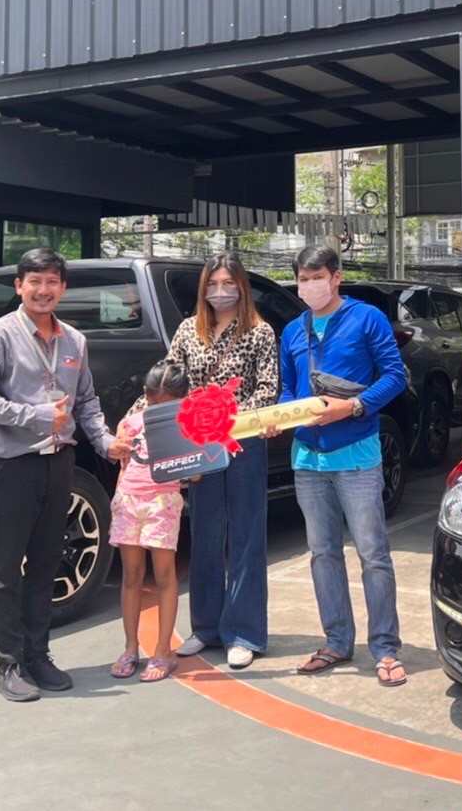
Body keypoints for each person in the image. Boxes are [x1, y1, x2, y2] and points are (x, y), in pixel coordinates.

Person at [0, 247, 116, 702]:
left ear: (63, 288)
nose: (43, 290)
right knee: (5, 568)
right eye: (35, 282)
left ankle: (38, 654)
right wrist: (35, 415)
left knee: (48, 563)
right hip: (14, 464)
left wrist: (106, 443)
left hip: (60, 462)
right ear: (19, 287)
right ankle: (8, 663)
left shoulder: (75, 341)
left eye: (51, 282)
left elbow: (85, 402)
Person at [267, 245, 409, 687]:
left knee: (373, 555)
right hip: (307, 459)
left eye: (317, 277)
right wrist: (281, 417)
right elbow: (288, 389)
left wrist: (353, 407)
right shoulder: (293, 330)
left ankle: (385, 648)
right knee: (322, 553)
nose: (310, 285)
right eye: (303, 279)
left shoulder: (367, 319)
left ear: (336, 277)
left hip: (357, 456)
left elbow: (395, 376)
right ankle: (336, 642)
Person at [166, 252, 278, 670]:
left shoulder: (260, 332)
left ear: (241, 286)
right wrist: (139, 418)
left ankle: (244, 632)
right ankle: (206, 627)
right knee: (205, 533)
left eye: (228, 282)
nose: (220, 291)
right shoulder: (187, 330)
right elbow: (169, 381)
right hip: (200, 445)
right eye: (212, 284)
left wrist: (227, 418)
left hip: (243, 442)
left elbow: (267, 389)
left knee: (246, 535)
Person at [109, 362, 190, 683]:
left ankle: (163, 650)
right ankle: (130, 647)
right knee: (131, 575)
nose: (158, 412)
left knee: (165, 575)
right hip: (129, 500)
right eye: (153, 404)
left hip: (163, 502)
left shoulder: (187, 424)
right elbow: (121, 460)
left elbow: (196, 473)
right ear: (145, 396)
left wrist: (191, 445)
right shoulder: (130, 422)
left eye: (166, 406)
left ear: (182, 399)